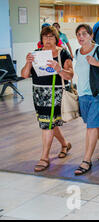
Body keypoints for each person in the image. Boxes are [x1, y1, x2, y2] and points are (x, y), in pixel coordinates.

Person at [21, 26, 74, 172]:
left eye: (51, 37)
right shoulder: (36, 54)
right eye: (45, 37)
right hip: (38, 95)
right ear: (41, 39)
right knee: (50, 123)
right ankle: (65, 144)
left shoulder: (63, 53)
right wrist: (28, 62)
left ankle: (44, 157)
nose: (48, 40)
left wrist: (59, 69)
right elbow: (24, 75)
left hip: (55, 94)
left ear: (56, 38)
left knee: (47, 124)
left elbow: (70, 76)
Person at [73, 24, 99, 175]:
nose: (81, 37)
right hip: (83, 95)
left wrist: (96, 63)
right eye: (78, 34)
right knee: (94, 124)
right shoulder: (77, 52)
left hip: (98, 95)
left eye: (84, 34)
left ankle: (86, 160)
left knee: (91, 127)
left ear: (91, 35)